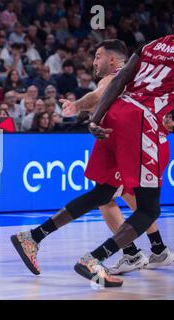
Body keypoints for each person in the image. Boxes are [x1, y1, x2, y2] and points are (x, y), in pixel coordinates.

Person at [11, 34, 174, 287]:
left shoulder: (152, 45)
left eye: (97, 56)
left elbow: (117, 83)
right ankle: (98, 258)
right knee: (148, 207)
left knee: (105, 193)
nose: (94, 61)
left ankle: (33, 236)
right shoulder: (117, 71)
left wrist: (94, 119)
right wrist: (78, 106)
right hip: (140, 123)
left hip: (115, 118)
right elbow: (107, 86)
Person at [61, 39, 173, 274]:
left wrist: (85, 112)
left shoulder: (142, 54)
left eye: (97, 57)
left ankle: (137, 252)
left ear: (111, 59)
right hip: (147, 130)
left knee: (110, 195)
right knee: (133, 199)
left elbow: (106, 90)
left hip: (132, 129)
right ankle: (151, 250)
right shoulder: (139, 67)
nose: (94, 62)